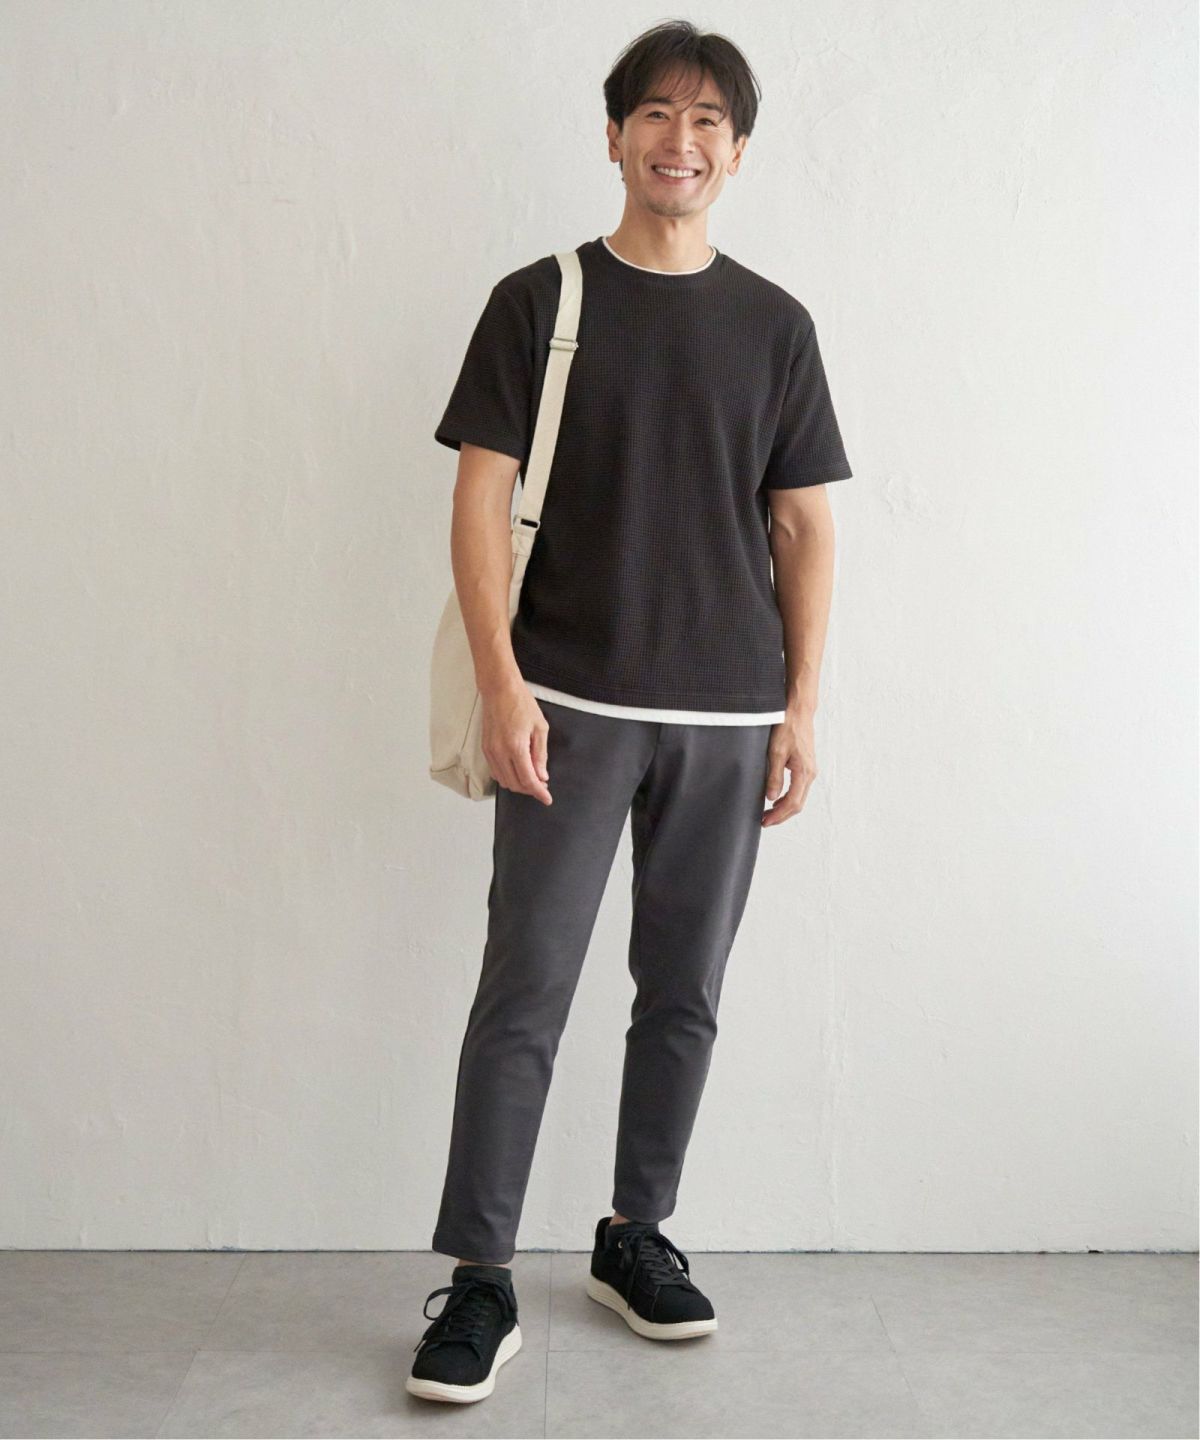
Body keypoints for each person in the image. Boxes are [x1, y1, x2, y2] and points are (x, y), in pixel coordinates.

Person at [407, 18, 853, 1405]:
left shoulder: (776, 326)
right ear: (614, 136)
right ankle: (480, 1276)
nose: (681, 140)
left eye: (709, 120)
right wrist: (501, 684)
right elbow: (479, 500)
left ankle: (633, 1234)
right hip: (565, 704)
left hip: (728, 716)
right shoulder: (536, 301)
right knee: (525, 989)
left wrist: (801, 709)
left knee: (684, 993)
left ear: (739, 151)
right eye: (656, 113)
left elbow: (804, 528)